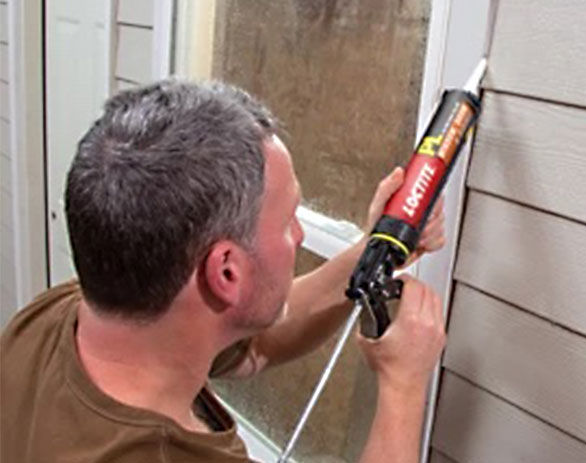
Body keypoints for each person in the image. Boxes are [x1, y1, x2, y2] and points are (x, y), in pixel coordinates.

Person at [0, 81, 446, 463]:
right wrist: (403, 386)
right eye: (289, 218)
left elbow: (259, 346)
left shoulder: (58, 318)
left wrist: (369, 253)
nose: (298, 236)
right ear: (227, 272)